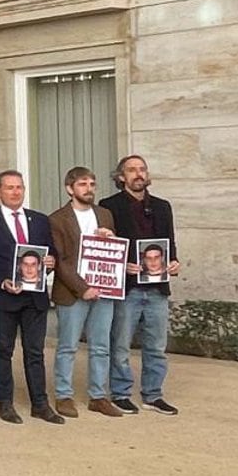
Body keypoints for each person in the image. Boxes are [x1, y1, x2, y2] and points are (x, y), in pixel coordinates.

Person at [104, 154, 182, 415]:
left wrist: (173, 262)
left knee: (157, 346)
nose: (138, 174)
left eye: (142, 169)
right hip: (128, 287)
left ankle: (153, 394)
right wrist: (121, 264)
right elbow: (105, 248)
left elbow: (169, 243)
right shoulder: (109, 206)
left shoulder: (162, 206)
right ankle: (121, 392)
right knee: (121, 344)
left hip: (158, 288)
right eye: (131, 170)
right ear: (121, 177)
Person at [47, 166, 121, 420]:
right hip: (72, 292)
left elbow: (113, 255)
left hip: (104, 290)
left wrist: (110, 238)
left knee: (101, 346)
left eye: (91, 184)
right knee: (67, 346)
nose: (88, 189)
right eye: (82, 184)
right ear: (70, 188)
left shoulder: (105, 214)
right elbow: (60, 260)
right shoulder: (57, 219)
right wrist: (83, 288)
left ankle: (98, 396)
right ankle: (63, 395)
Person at [0, 170, 57, 424]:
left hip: (35, 298)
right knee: (4, 350)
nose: (16, 192)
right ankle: (5, 403)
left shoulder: (40, 220)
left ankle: (40, 403)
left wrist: (51, 261)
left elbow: (52, 252)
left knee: (35, 351)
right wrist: (1, 281)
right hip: (5, 297)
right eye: (10, 187)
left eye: (19, 187)